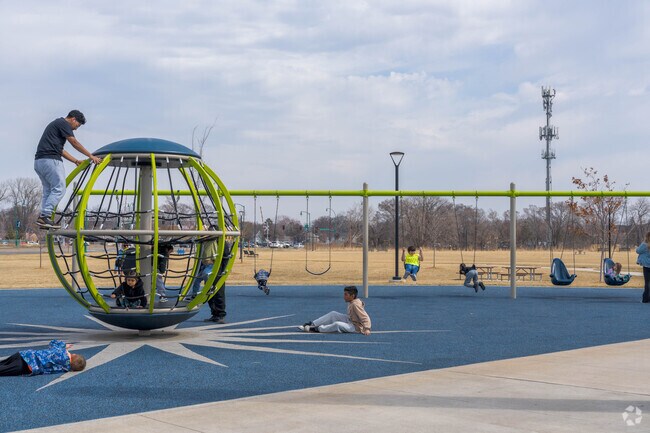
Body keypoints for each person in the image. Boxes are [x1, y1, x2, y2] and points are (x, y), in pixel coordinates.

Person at [34, 110, 101, 229]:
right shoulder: (63, 123)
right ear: (73, 119)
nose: (76, 129)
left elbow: (60, 150)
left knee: (49, 191)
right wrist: (90, 156)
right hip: (51, 160)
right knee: (60, 188)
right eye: (77, 125)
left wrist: (75, 160)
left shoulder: (56, 126)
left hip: (40, 161)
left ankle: (43, 219)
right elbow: (74, 142)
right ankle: (45, 215)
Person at [299, 286, 371, 335]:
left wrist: (367, 329)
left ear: (352, 296)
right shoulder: (351, 302)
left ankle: (317, 329)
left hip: (355, 327)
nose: (344, 296)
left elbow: (365, 317)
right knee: (333, 314)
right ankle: (312, 324)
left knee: (337, 324)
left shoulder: (355, 304)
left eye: (346, 294)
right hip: (350, 320)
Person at [0, 340, 86, 376]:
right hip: (28, 367)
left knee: (3, 363)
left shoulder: (61, 352)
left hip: (25, 355)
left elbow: (53, 342)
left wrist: (64, 345)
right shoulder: (65, 369)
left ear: (74, 354)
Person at [203, 238, 233, 323]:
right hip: (209, 269)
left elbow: (226, 257)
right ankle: (214, 314)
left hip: (218, 270)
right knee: (209, 292)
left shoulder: (222, 242)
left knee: (219, 293)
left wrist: (222, 271)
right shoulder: (209, 242)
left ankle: (220, 315)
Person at [636, 232, 650, 303]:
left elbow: (638, 251)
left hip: (646, 266)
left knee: (647, 283)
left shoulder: (645, 245)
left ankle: (645, 299)